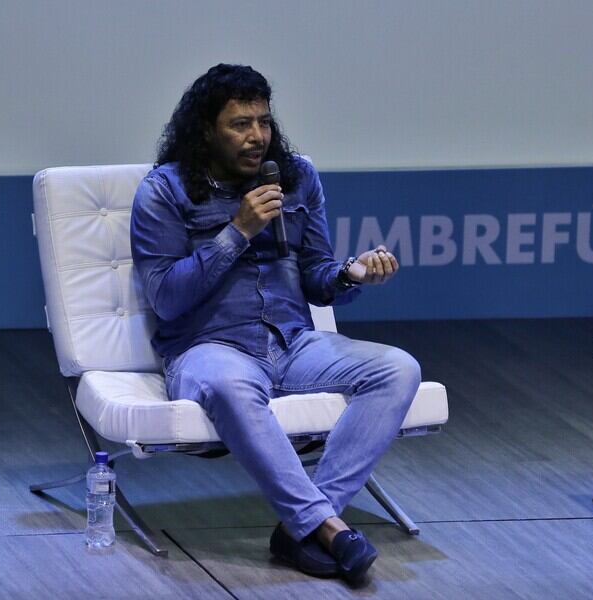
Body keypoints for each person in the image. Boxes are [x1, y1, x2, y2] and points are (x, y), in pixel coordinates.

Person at [131, 64, 420, 584]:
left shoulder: (296, 175)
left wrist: (349, 275)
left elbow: (316, 273)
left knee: (397, 368)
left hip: (293, 342)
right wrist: (237, 231)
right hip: (209, 346)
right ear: (205, 130)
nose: (257, 136)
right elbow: (167, 298)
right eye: (240, 124)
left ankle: (304, 527)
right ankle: (328, 530)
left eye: (263, 121)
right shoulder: (165, 191)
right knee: (227, 385)